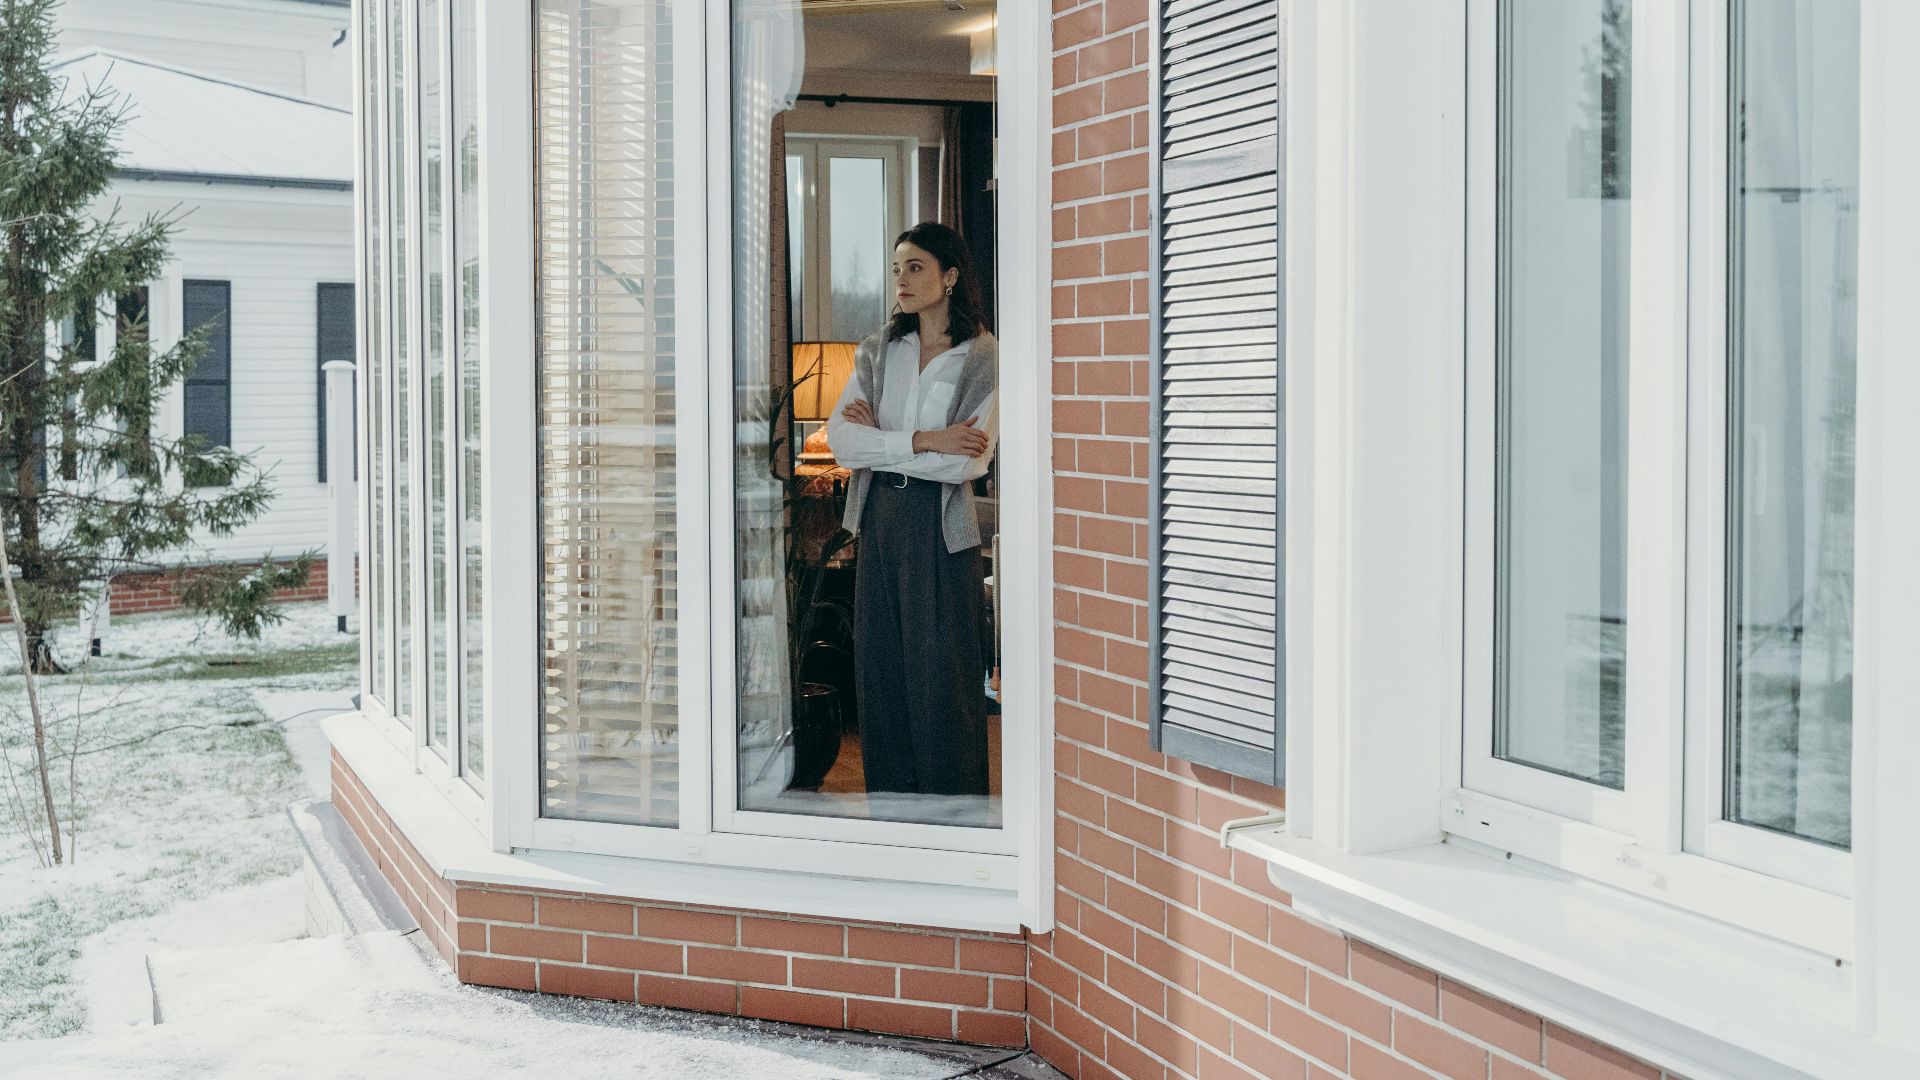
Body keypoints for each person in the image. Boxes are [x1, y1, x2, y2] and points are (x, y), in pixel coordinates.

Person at [825, 222, 998, 799]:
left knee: (942, 680)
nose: (902, 278)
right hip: (880, 524)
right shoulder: (879, 350)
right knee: (883, 676)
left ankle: (955, 817)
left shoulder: (982, 357)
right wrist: (927, 440)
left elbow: (967, 465)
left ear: (950, 277)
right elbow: (845, 445)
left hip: (941, 532)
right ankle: (893, 812)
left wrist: (891, 442)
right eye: (897, 267)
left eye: (916, 266)